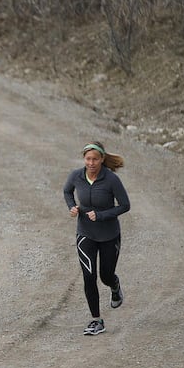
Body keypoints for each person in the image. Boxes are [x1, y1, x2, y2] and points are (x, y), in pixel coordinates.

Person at [63, 141, 130, 336]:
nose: (91, 163)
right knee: (88, 276)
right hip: (85, 234)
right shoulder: (76, 176)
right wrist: (72, 206)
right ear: (83, 159)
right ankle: (96, 320)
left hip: (109, 235)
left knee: (105, 275)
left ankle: (114, 285)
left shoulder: (111, 180)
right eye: (88, 159)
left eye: (95, 159)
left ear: (102, 159)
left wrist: (101, 215)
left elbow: (125, 205)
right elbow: (67, 191)